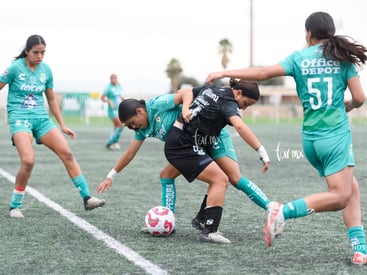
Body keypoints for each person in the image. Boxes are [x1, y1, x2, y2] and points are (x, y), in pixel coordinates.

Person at [206, 11, 367, 264]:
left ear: (308, 33)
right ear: (330, 32)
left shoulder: (299, 58)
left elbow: (264, 72)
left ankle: (360, 249)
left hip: (310, 140)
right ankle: (283, 211)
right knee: (340, 195)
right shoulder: (343, 59)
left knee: (350, 188)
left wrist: (223, 73)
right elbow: (360, 98)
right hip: (334, 135)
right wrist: (351, 105)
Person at [96, 90, 272, 232]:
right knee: (166, 175)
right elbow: (129, 154)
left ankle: (271, 208)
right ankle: (168, 219)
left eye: (132, 123)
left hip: (212, 137)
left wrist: (185, 108)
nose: (133, 127)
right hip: (188, 145)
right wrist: (111, 175)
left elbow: (186, 92)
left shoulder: (157, 105)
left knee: (233, 178)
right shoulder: (142, 129)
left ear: (139, 111)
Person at [0, 34, 105, 218]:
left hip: (41, 119)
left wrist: (62, 125)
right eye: (36, 52)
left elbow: (51, 99)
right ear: (26, 51)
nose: (40, 56)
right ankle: (15, 206)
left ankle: (86, 198)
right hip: (19, 117)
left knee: (67, 153)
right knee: (28, 160)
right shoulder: (15, 69)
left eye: (43, 52)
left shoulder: (46, 70)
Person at [164, 79, 270, 244]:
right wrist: (260, 149)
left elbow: (189, 92)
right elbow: (240, 127)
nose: (244, 108)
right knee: (220, 179)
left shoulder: (211, 88)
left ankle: (202, 219)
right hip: (183, 144)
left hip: (185, 139)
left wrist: (185, 107)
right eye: (246, 103)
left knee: (222, 177)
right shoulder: (229, 103)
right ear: (238, 93)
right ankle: (210, 231)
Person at [101, 73, 124, 150]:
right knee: (121, 125)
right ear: (110, 79)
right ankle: (112, 142)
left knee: (116, 127)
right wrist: (109, 101)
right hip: (112, 111)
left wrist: (124, 101)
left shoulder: (119, 86)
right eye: (113, 79)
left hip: (118, 110)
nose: (114, 80)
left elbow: (120, 96)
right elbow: (102, 98)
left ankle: (112, 143)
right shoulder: (108, 87)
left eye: (115, 78)